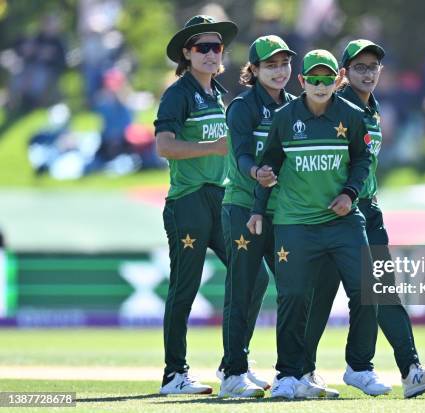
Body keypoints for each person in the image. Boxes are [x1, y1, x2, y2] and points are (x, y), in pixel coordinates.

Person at [302, 39, 425, 399]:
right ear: (344, 73)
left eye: (373, 67)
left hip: (367, 209)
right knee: (326, 295)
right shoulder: (338, 107)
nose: (368, 74)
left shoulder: (371, 106)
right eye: (359, 68)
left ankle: (403, 369)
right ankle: (300, 371)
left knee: (375, 291)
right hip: (338, 212)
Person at [247, 49, 389, 399]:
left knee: (367, 289)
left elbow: (362, 160)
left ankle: (360, 368)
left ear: (337, 80)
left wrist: (350, 194)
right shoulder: (284, 118)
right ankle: (288, 375)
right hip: (296, 223)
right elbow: (268, 167)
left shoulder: (352, 115)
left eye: (328, 79)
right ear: (303, 81)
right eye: (314, 78)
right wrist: (256, 210)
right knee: (293, 296)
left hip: (342, 221)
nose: (321, 85)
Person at [153, 15, 236, 395]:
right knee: (185, 287)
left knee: (250, 275)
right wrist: (211, 148)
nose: (210, 54)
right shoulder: (179, 93)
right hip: (188, 200)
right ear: (187, 54)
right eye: (202, 47)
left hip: (219, 197)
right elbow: (164, 146)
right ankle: (175, 374)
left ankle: (234, 366)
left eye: (216, 47)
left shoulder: (218, 93)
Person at [217, 35, 297, 398]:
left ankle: (295, 371)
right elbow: (243, 154)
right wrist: (255, 174)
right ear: (254, 70)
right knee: (243, 287)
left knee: (295, 288)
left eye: (284, 64)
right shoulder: (242, 106)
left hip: (283, 212)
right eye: (271, 65)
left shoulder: (297, 106)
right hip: (243, 207)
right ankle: (233, 371)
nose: (280, 71)